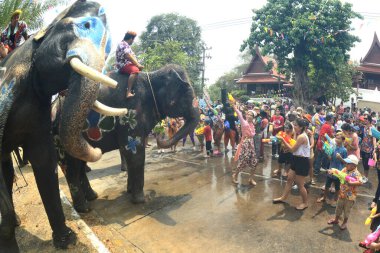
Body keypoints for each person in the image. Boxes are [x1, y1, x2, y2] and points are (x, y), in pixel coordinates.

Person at [273, 118, 311, 210]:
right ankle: (283, 197)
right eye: (294, 125)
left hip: (302, 161)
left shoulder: (302, 136)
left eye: (296, 125)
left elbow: (292, 149)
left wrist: (282, 139)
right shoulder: (298, 134)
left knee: (300, 184)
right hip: (296, 159)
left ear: (301, 127)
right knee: (289, 179)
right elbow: (293, 146)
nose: (294, 127)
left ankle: (305, 203)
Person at [327, 155, 363, 230]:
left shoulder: (356, 173)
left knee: (347, 211)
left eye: (348, 163)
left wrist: (351, 183)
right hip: (342, 193)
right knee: (338, 208)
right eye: (346, 163)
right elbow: (339, 173)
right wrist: (333, 172)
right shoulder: (345, 169)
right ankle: (336, 220)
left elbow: (360, 182)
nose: (346, 164)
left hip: (350, 197)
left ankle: (344, 222)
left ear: (354, 165)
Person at [317, 133, 347, 205]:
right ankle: (324, 198)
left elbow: (345, 162)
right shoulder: (333, 147)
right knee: (327, 186)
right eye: (336, 138)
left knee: (337, 188)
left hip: (338, 172)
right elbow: (330, 159)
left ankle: (335, 200)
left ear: (343, 140)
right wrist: (328, 153)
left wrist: (340, 158)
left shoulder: (344, 150)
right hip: (331, 170)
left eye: (338, 138)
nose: (336, 139)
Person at [232, 104, 257, 185]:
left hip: (251, 144)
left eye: (251, 115)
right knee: (243, 161)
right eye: (248, 114)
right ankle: (235, 175)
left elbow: (253, 134)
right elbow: (239, 113)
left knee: (254, 162)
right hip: (245, 144)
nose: (249, 116)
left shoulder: (252, 124)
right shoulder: (244, 122)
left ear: (253, 117)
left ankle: (251, 178)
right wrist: (234, 106)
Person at [116, 31, 144, 98]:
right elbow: (128, 55)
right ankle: (128, 92)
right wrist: (138, 65)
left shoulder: (126, 45)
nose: (133, 41)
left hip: (127, 64)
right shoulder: (123, 44)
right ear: (131, 38)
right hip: (123, 65)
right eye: (133, 39)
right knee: (135, 70)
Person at [360, 115, 376, 184]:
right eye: (364, 118)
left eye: (366, 119)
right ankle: (365, 176)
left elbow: (374, 139)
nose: (364, 120)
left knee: (368, 164)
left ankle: (366, 177)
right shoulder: (364, 127)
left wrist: (374, 149)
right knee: (364, 163)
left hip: (369, 149)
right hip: (363, 148)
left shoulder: (373, 128)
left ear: (369, 120)